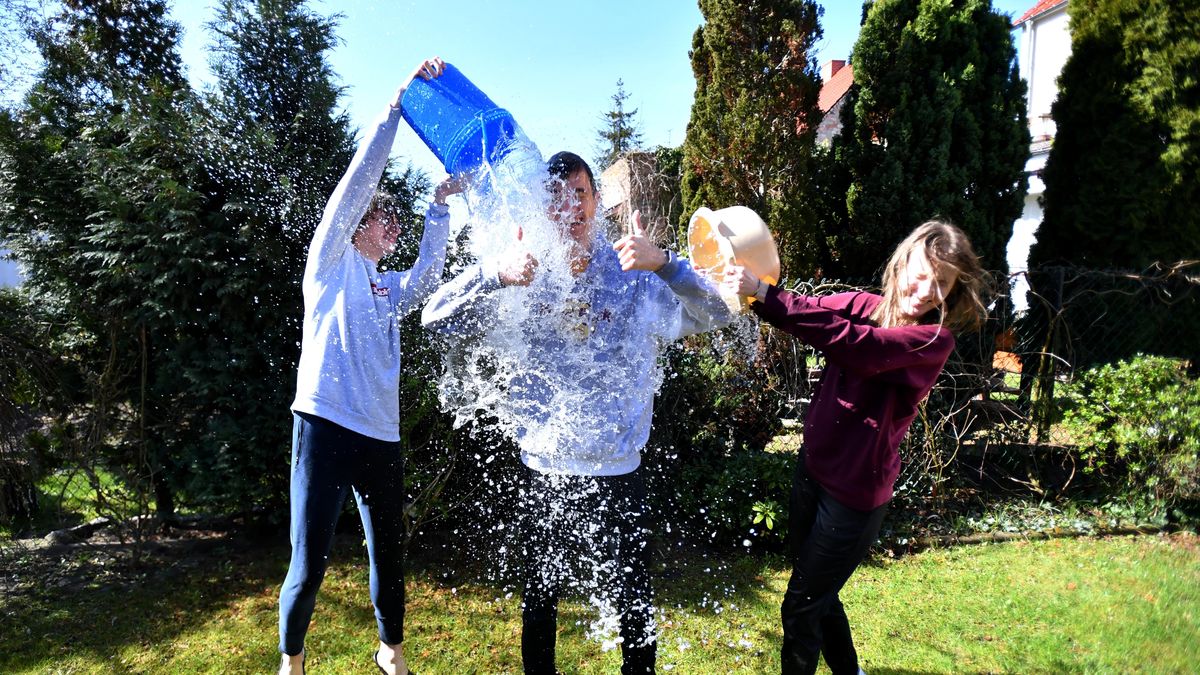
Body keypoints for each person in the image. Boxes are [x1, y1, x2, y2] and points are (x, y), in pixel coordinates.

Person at [421, 151, 734, 674]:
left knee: (635, 607)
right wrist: (495, 274)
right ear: (543, 207)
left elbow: (720, 310)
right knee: (539, 606)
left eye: (580, 194)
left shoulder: (633, 273)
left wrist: (668, 264)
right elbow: (434, 321)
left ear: (597, 202)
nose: (569, 206)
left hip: (618, 473)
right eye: (556, 196)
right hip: (544, 470)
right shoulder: (523, 273)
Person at [722, 221, 988, 675]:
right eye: (920, 274)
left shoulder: (932, 340)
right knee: (819, 598)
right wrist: (748, 283)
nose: (925, 291)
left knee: (800, 609)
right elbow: (804, 309)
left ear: (953, 291)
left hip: (854, 500)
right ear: (902, 264)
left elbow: (856, 346)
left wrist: (768, 297)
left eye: (941, 284)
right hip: (813, 472)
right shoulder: (866, 305)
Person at [278, 56, 463, 675]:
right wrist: (395, 109)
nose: (394, 228)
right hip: (325, 425)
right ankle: (292, 657)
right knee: (310, 561)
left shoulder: (387, 287)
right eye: (388, 219)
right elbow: (359, 180)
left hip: (380, 434)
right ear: (361, 224)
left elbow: (429, 276)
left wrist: (439, 208)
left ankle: (391, 650)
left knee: (390, 549)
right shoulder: (328, 263)